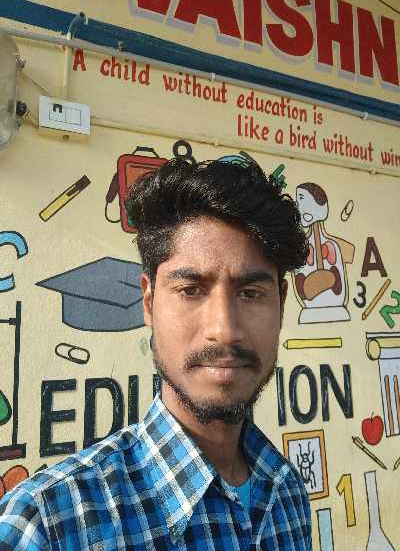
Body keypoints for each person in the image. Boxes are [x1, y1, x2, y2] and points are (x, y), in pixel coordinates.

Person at [0, 153, 312, 549]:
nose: (224, 330)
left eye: (250, 293)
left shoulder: (286, 491)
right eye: (191, 290)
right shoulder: (47, 523)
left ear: (281, 303)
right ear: (149, 302)